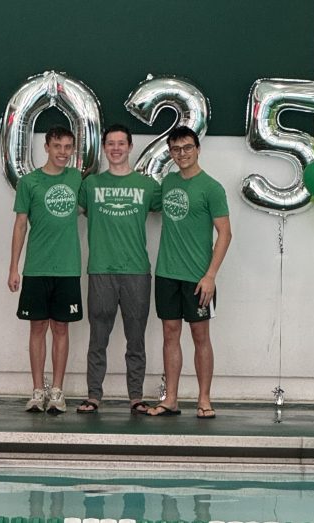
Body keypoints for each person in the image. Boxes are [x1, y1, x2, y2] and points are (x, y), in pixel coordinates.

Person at [147, 126, 231, 419]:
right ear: (170, 153)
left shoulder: (212, 188)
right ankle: (170, 399)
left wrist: (210, 276)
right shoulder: (168, 182)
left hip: (198, 278)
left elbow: (225, 234)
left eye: (187, 148)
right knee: (170, 335)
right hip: (167, 274)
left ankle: (204, 399)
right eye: (176, 149)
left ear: (197, 149)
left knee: (200, 337)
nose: (181, 154)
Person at [76, 124, 161, 414]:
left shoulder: (148, 186)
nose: (115, 148)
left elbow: (171, 213)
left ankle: (135, 397)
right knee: (97, 337)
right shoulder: (90, 185)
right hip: (100, 269)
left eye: (121, 143)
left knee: (135, 339)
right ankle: (93, 395)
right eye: (110, 143)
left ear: (130, 146)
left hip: (137, 271)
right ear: (104, 148)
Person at [8, 126, 83, 414]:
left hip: (67, 268)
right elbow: (20, 225)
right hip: (36, 268)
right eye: (57, 146)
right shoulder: (29, 182)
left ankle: (58, 392)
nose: (63, 152)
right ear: (46, 147)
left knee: (61, 328)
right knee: (37, 328)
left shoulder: (77, 179)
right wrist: (14, 267)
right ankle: (38, 391)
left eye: (67, 147)